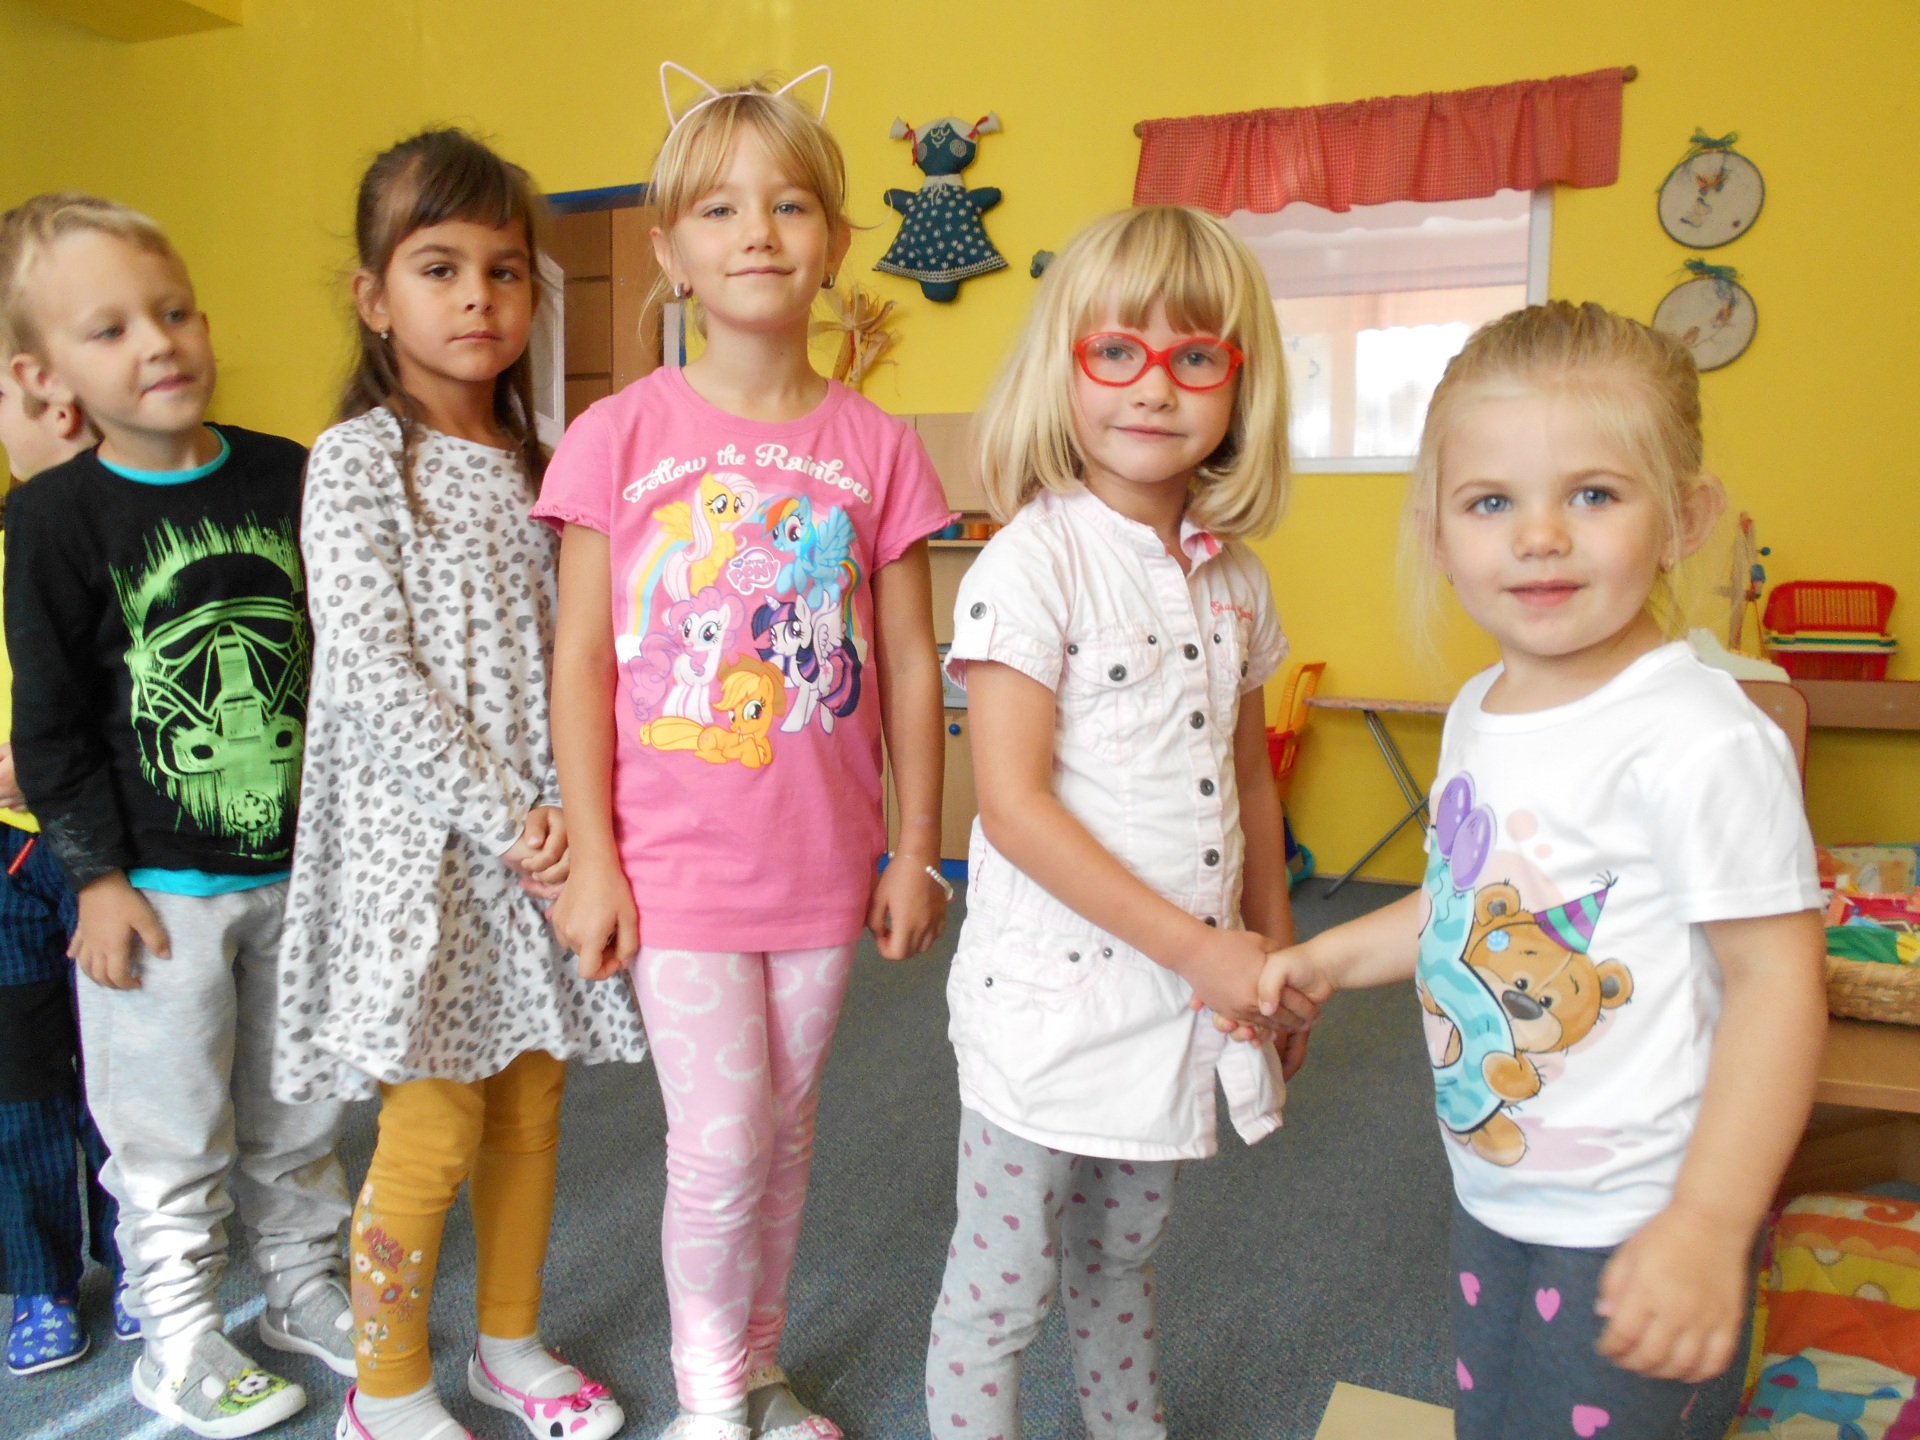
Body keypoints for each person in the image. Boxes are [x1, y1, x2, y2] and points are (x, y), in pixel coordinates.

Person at [1254, 301, 1826, 1440]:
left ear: (1684, 518)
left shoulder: (1701, 737)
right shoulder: (1481, 708)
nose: (1541, 536)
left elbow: (1778, 983)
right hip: (1499, 1186)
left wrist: (1711, 1224)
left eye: (1595, 495)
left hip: (1644, 1215)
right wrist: (1325, 957)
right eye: (1491, 502)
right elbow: (1462, 909)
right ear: (1438, 530)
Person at [539, 66, 952, 1440]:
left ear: (834, 238)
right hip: (675, 868)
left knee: (784, 1136)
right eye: (718, 209)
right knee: (719, 1148)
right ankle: (710, 1400)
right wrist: (593, 863)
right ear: (670, 250)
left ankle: (756, 1366)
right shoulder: (617, 437)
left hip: (824, 867)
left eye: (788, 205)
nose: (756, 232)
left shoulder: (876, 446)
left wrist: (914, 849)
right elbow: (583, 661)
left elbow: (909, 661)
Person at [272, 129, 646, 1440]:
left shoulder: (549, 466)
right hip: (428, 855)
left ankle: (508, 1345)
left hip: (539, 850)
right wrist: (510, 820)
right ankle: (383, 1393)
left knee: (531, 1111)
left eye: (504, 270)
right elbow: (372, 673)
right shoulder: (357, 460)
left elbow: (586, 654)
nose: (477, 297)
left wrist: (579, 822)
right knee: (429, 1132)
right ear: (375, 297)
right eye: (438, 268)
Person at [926, 205, 1309, 1440]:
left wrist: (1274, 953)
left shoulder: (1236, 578)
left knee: (1123, 1260)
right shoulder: (1031, 565)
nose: (1155, 387)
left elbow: (1251, 783)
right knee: (1000, 1292)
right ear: (1067, 368)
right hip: (1047, 1012)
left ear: (1238, 383)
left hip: (1178, 1009)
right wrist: (1204, 950)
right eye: (1117, 352)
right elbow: (1011, 807)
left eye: (1194, 356)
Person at [2, 192, 353, 1436]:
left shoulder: (287, 474)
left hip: (298, 875)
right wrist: (95, 879)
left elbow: (340, 664)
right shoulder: (53, 517)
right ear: (45, 377)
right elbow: (50, 725)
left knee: (300, 1106)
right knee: (166, 1132)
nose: (159, 343)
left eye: (176, 311)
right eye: (111, 330)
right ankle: (180, 1334)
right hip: (154, 896)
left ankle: (302, 1288)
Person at [0, 337, 134, 1375]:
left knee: (125, 1070)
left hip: (113, 851)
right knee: (22, 1082)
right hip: (8, 861)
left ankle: (139, 1258)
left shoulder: (122, 539)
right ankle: (39, 1282)